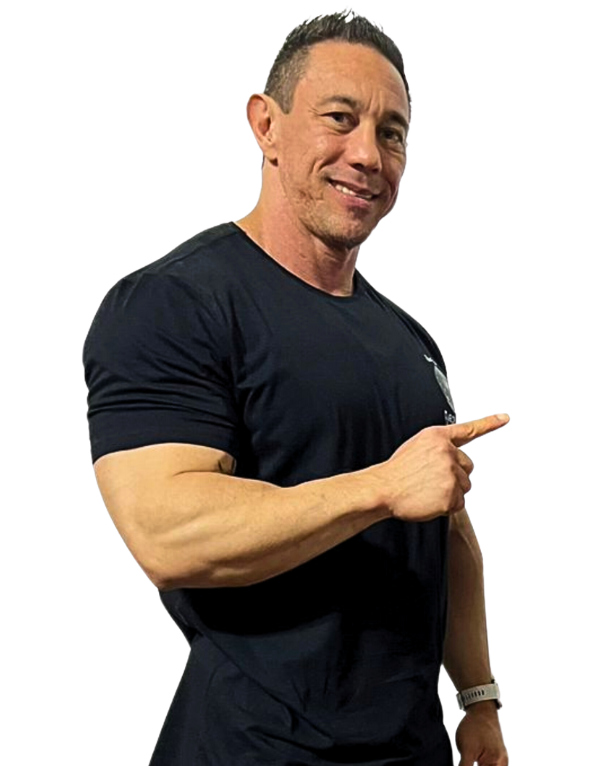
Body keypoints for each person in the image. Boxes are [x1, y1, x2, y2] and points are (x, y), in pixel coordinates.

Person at [81, 7, 511, 765]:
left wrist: (478, 696)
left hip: (412, 747)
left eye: (392, 134)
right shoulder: (175, 302)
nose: (367, 154)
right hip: (254, 748)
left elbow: (447, 536)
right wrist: (382, 487)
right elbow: (167, 535)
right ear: (266, 125)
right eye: (339, 119)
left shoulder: (411, 341)